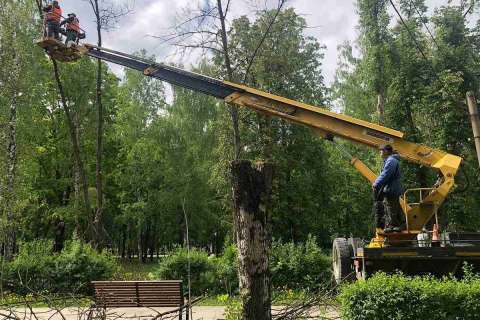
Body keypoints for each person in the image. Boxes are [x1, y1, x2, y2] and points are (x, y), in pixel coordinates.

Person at [372, 144, 405, 233]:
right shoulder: (391, 160)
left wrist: (376, 184)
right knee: (395, 206)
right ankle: (400, 224)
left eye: (381, 150)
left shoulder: (391, 161)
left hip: (392, 188)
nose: (380, 152)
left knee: (390, 206)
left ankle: (392, 225)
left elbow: (385, 174)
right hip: (393, 188)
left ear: (386, 151)